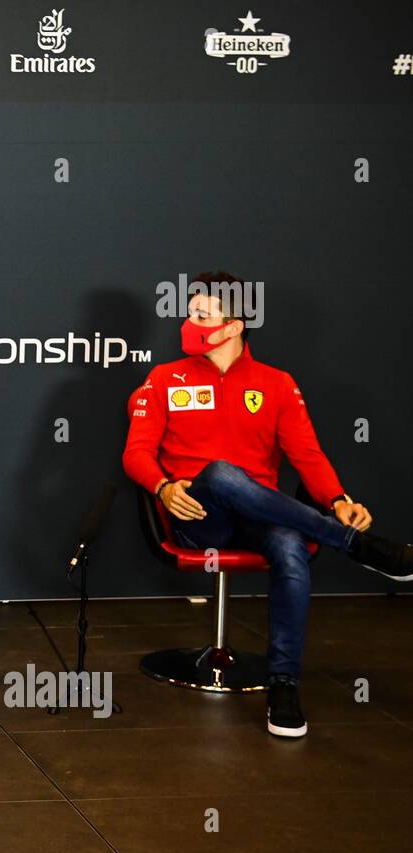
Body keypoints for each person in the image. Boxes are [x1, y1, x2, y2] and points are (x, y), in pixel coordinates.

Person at [123, 271, 413, 738]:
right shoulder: (164, 378)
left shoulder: (275, 384)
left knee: (289, 546)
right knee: (219, 474)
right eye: (190, 312)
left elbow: (307, 455)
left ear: (235, 326)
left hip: (262, 516)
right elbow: (135, 453)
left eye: (202, 314)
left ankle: (284, 684)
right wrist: (163, 487)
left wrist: (338, 499)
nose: (189, 321)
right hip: (200, 519)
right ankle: (355, 546)